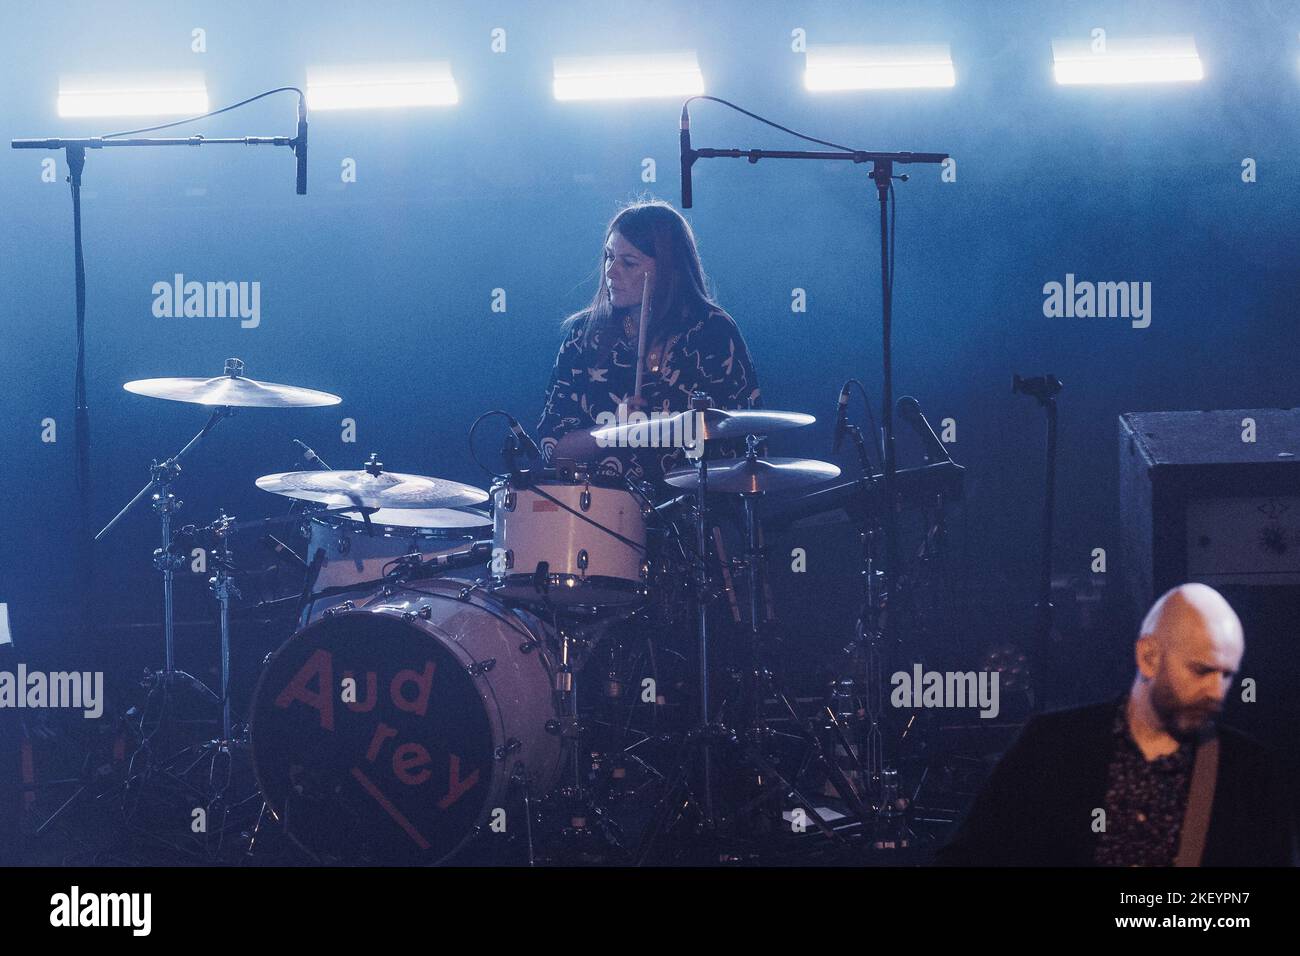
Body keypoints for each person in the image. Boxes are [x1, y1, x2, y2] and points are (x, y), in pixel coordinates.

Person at [936, 583, 1297, 866]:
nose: (1216, 692)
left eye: (1227, 676)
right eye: (1201, 670)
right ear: (1149, 657)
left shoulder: (1251, 773)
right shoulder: (1052, 747)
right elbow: (968, 856)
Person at [537, 200, 760, 488]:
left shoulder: (713, 332)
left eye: (628, 262)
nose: (611, 271)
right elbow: (554, 450)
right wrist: (611, 430)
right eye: (608, 256)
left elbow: (751, 440)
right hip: (599, 515)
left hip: (692, 513)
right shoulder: (584, 336)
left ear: (670, 269)